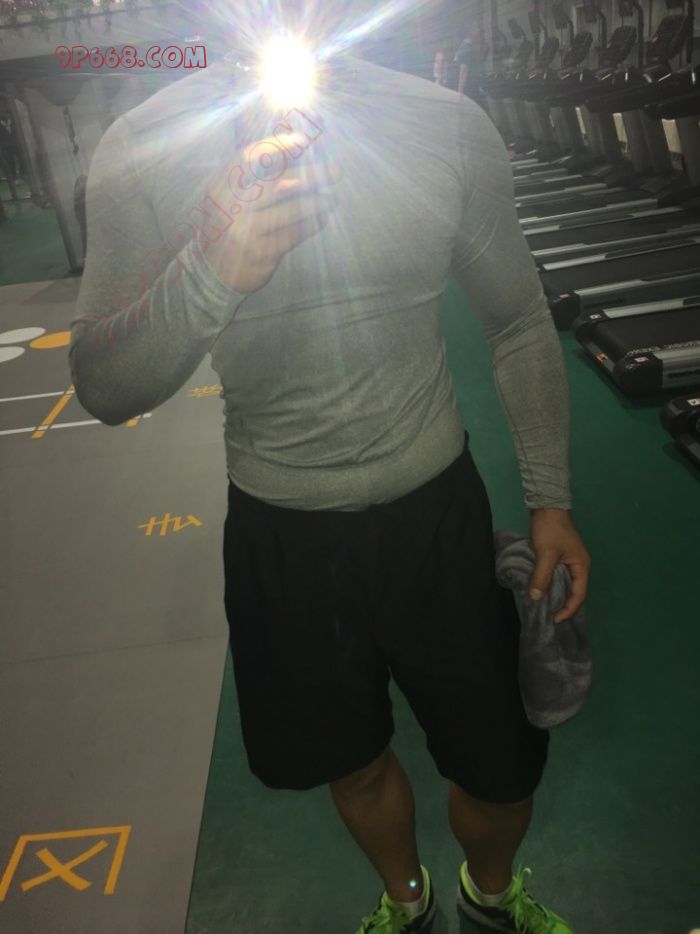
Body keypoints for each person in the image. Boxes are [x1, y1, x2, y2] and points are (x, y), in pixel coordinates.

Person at [68, 2, 591, 932]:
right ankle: (407, 900)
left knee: (504, 771)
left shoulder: (443, 125)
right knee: (351, 763)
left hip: (438, 521)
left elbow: (516, 319)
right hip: (282, 537)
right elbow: (105, 384)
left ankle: (489, 894)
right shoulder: (141, 152)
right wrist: (213, 271)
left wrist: (550, 501)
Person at [454, 25, 490, 114]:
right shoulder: (467, 49)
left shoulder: (465, 47)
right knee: (482, 114)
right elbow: (463, 73)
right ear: (469, 32)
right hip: (470, 90)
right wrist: (460, 95)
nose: (478, 31)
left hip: (471, 89)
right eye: (476, 28)